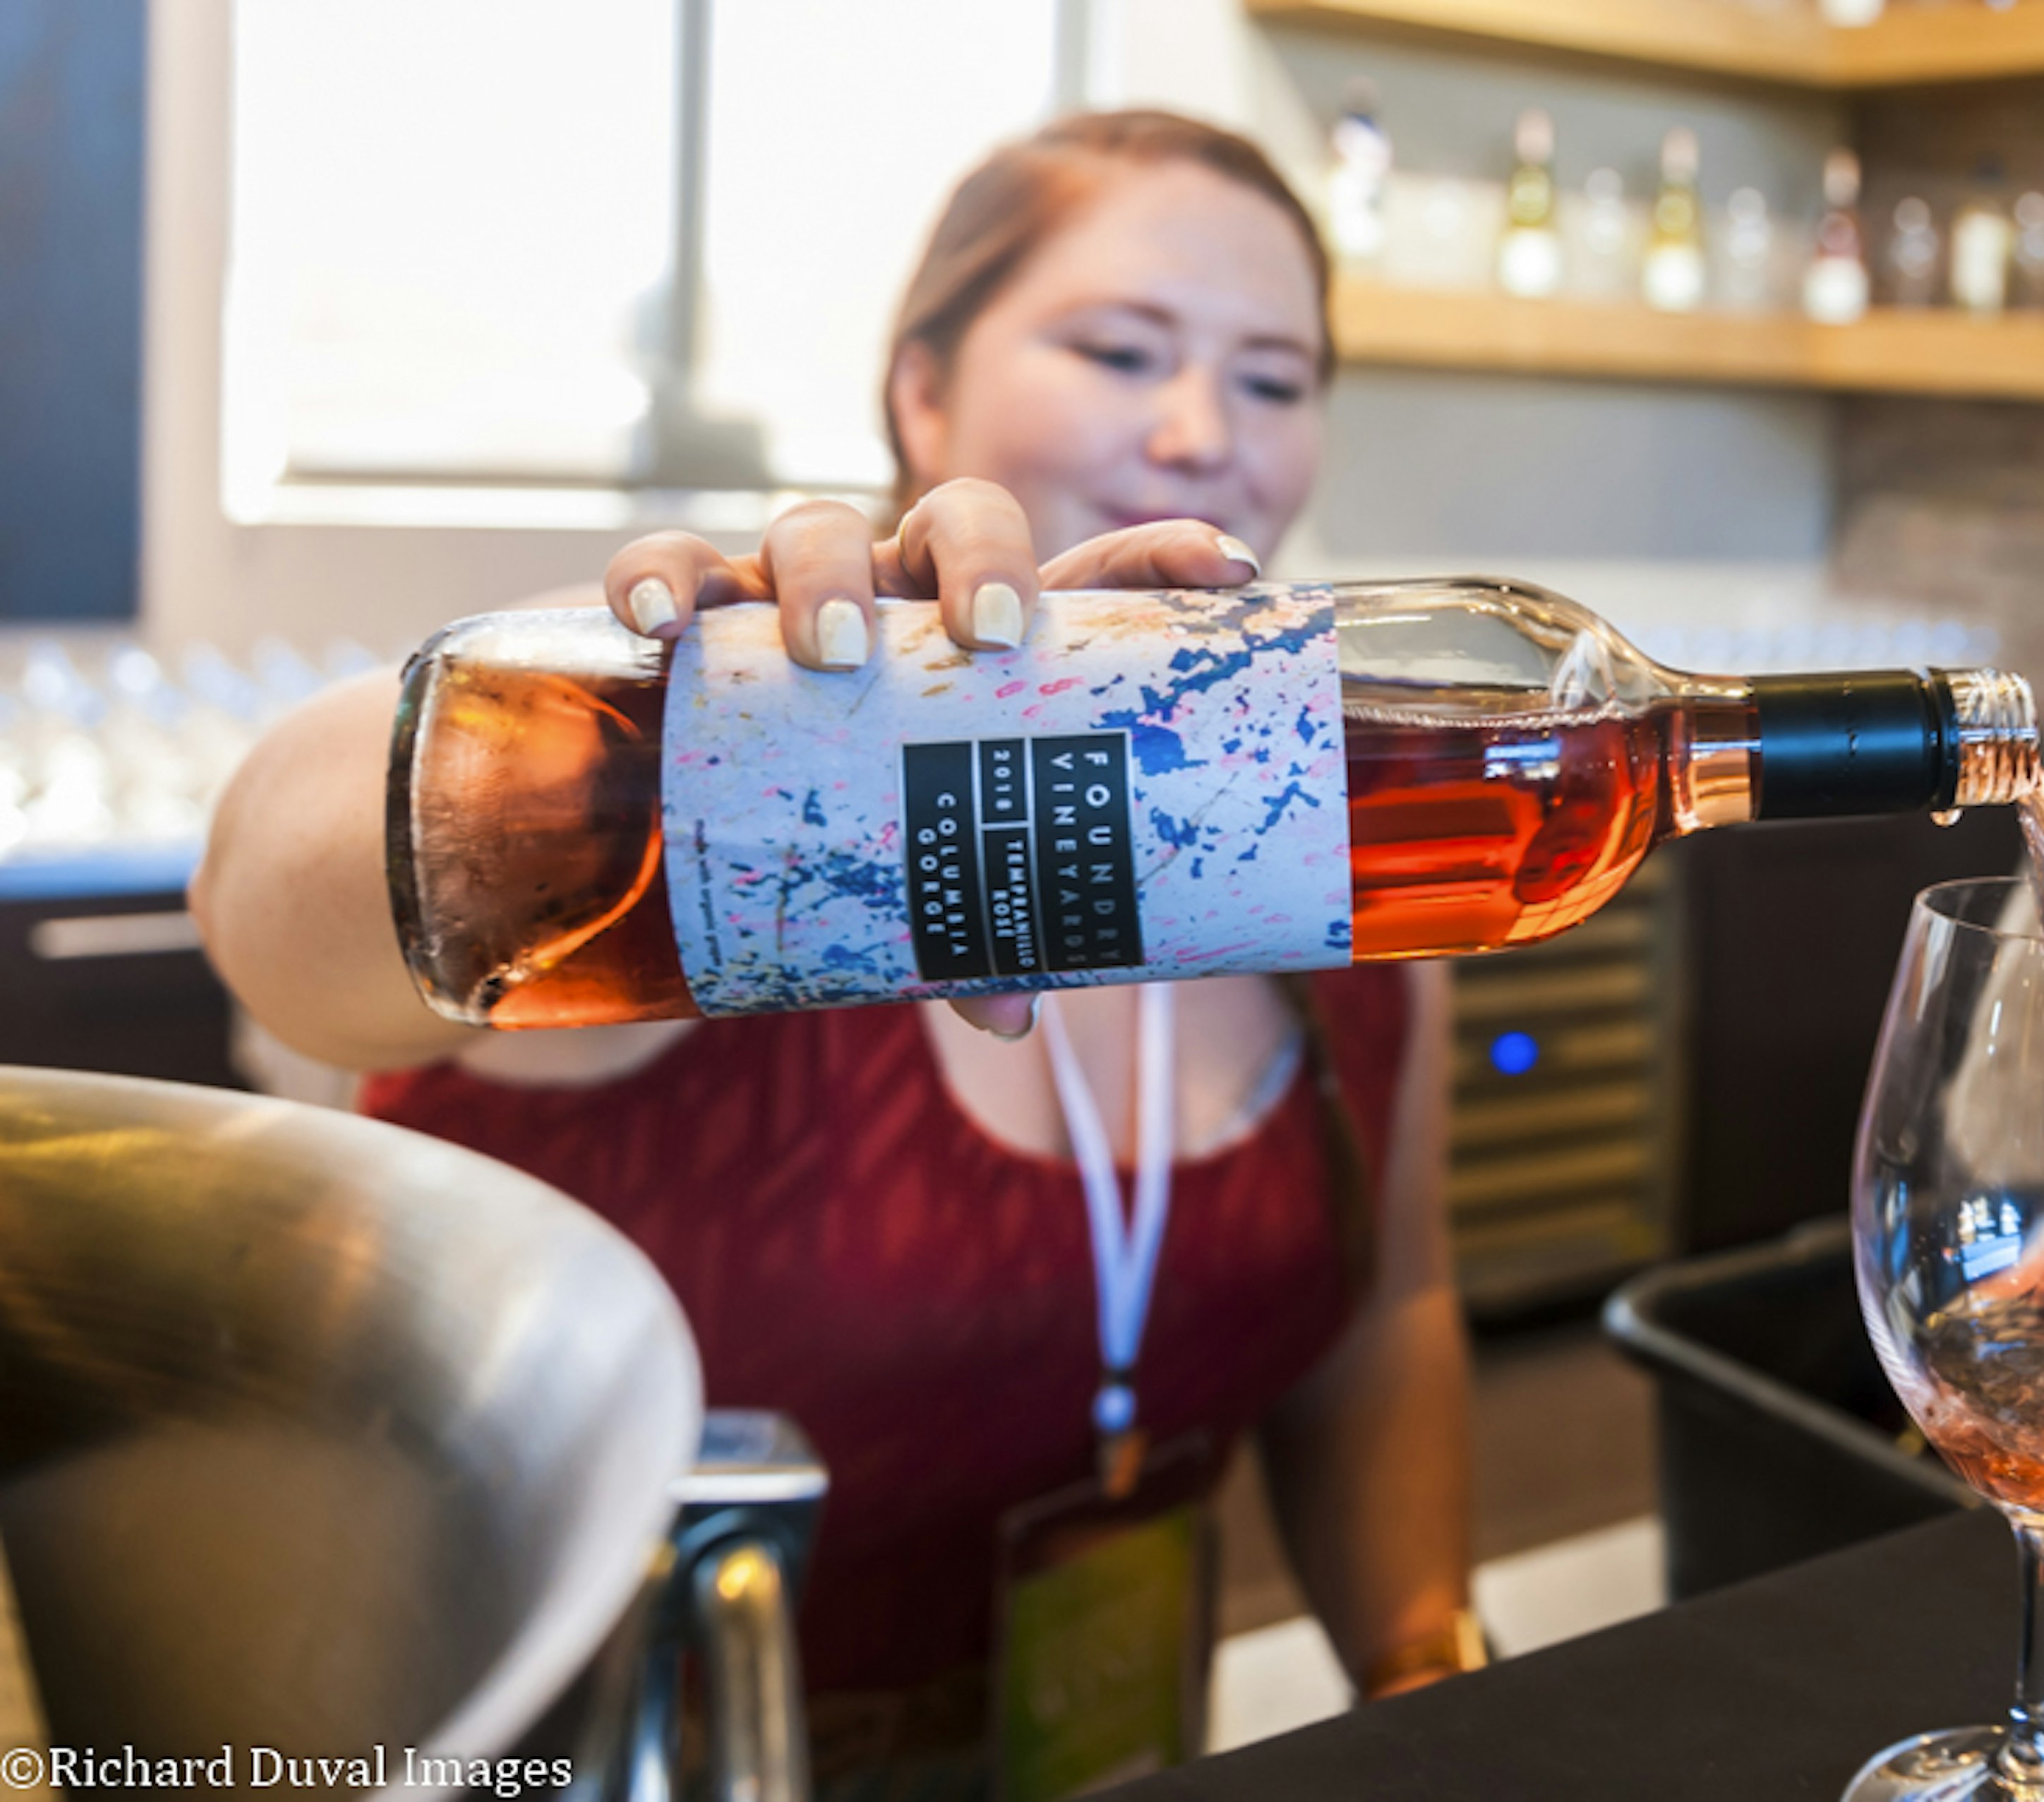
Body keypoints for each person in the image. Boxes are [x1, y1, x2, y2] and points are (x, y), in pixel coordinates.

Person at [191, 111, 1477, 1791]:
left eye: (1272, 379)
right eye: (1117, 349)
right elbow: (260, 898)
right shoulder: (751, 795)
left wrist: (1428, 1663)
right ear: (921, 391)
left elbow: (1385, 1309)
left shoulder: (1324, 854)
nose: (1198, 435)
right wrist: (661, 734)